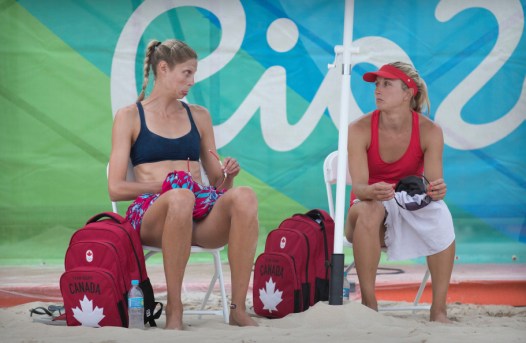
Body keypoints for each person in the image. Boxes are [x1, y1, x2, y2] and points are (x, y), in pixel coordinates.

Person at [108, 39, 259, 330]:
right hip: (153, 216)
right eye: (186, 73)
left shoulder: (198, 116)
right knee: (179, 197)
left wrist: (229, 174)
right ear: (163, 69)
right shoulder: (129, 116)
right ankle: (174, 311)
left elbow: (218, 185)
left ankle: (238, 309)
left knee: (245, 196)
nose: (192, 80)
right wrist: (164, 187)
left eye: (194, 73)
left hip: (197, 215)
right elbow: (115, 188)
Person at [345, 62, 456, 323]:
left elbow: (431, 186)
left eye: (386, 84)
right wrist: (372, 190)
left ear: (408, 93)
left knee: (440, 213)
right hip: (366, 207)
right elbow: (358, 188)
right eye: (376, 85)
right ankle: (369, 306)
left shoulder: (430, 131)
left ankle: (438, 310)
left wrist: (438, 189)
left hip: (407, 207)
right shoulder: (359, 129)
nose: (377, 90)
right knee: (371, 209)